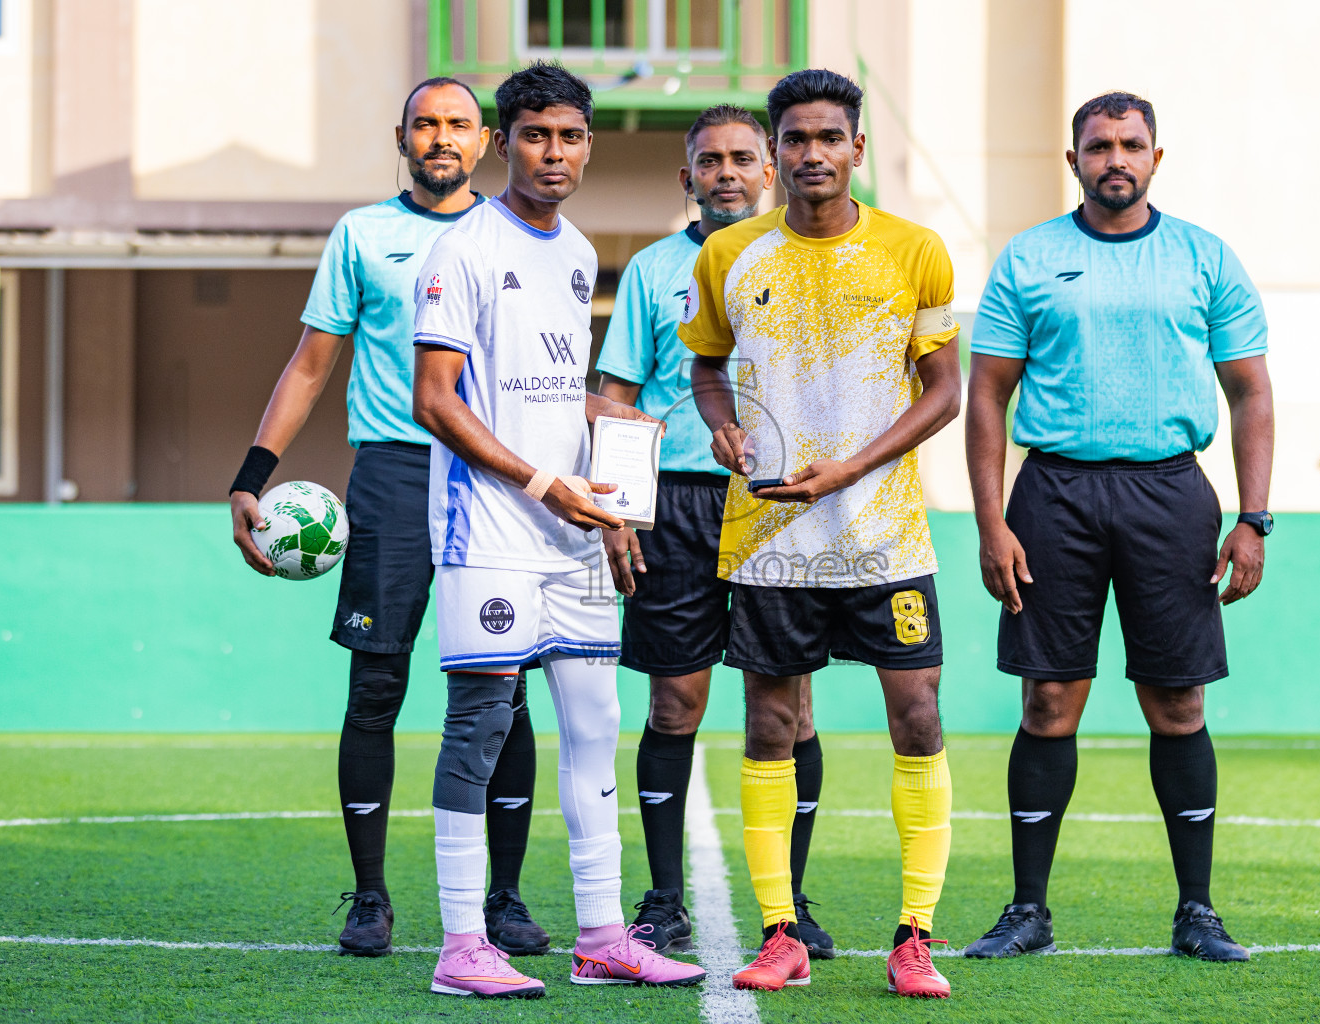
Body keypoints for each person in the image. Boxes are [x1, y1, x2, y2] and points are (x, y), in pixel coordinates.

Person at [226, 77, 548, 958]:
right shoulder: (363, 235)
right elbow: (309, 365)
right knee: (376, 687)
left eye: (455, 125)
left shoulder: (517, 234)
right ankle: (369, 898)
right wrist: (253, 475)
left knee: (501, 690)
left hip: (493, 482)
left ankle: (506, 898)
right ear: (400, 137)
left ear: (484, 140)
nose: (440, 138)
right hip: (394, 478)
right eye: (424, 125)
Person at [409, 61, 705, 998]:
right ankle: (462, 947)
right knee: (480, 728)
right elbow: (435, 400)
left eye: (571, 136)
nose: (554, 152)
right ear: (503, 143)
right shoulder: (459, 250)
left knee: (595, 725)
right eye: (535, 135)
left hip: (572, 532)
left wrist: (612, 486)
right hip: (489, 527)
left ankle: (604, 935)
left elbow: (557, 392)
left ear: (588, 146)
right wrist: (544, 481)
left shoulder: (578, 251)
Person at [964, 91, 1275, 963]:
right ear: (1073, 161)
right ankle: (1028, 910)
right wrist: (992, 520)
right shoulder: (1029, 259)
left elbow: (1250, 392)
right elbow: (986, 395)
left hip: (1171, 494)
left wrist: (1253, 519)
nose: (1114, 158)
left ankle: (1198, 912)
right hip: (1052, 494)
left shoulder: (1203, 258)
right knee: (1048, 699)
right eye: (1097, 146)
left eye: (1130, 145)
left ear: (1156, 158)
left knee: (1177, 702)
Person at [683, 69, 961, 998]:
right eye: (794, 140)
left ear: (856, 149)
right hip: (769, 538)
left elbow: (948, 392)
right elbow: (708, 367)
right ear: (774, 153)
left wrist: (848, 469)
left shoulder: (916, 251)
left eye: (828, 138)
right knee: (769, 724)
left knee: (917, 719)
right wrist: (720, 422)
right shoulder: (728, 254)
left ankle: (914, 935)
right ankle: (780, 932)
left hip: (887, 537)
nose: (811, 155)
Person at [595, 104, 832, 958]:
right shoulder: (656, 271)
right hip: (679, 507)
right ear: (685, 176)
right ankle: (662, 900)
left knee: (790, 710)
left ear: (769, 167)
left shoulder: (806, 260)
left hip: (782, 504)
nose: (726, 172)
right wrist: (618, 510)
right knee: (675, 702)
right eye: (708, 161)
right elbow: (615, 400)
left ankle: (789, 903)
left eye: (741, 157)